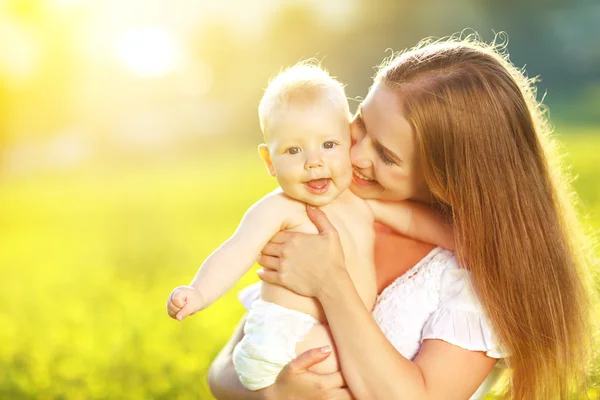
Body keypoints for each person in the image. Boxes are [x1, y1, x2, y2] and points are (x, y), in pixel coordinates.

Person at [207, 35, 595, 400]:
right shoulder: (331, 213)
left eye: (387, 156)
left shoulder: (474, 276)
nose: (356, 156)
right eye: (359, 123)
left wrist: (330, 282)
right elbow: (224, 369)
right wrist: (273, 394)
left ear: (448, 180)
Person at [166, 63, 453, 391]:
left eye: (328, 145)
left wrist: (469, 244)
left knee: (355, 365)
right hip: (287, 333)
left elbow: (414, 221)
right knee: (347, 369)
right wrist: (198, 292)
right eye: (293, 150)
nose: (313, 161)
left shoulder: (359, 200)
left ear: (347, 141)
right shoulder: (279, 208)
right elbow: (236, 251)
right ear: (269, 162)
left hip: (326, 328)